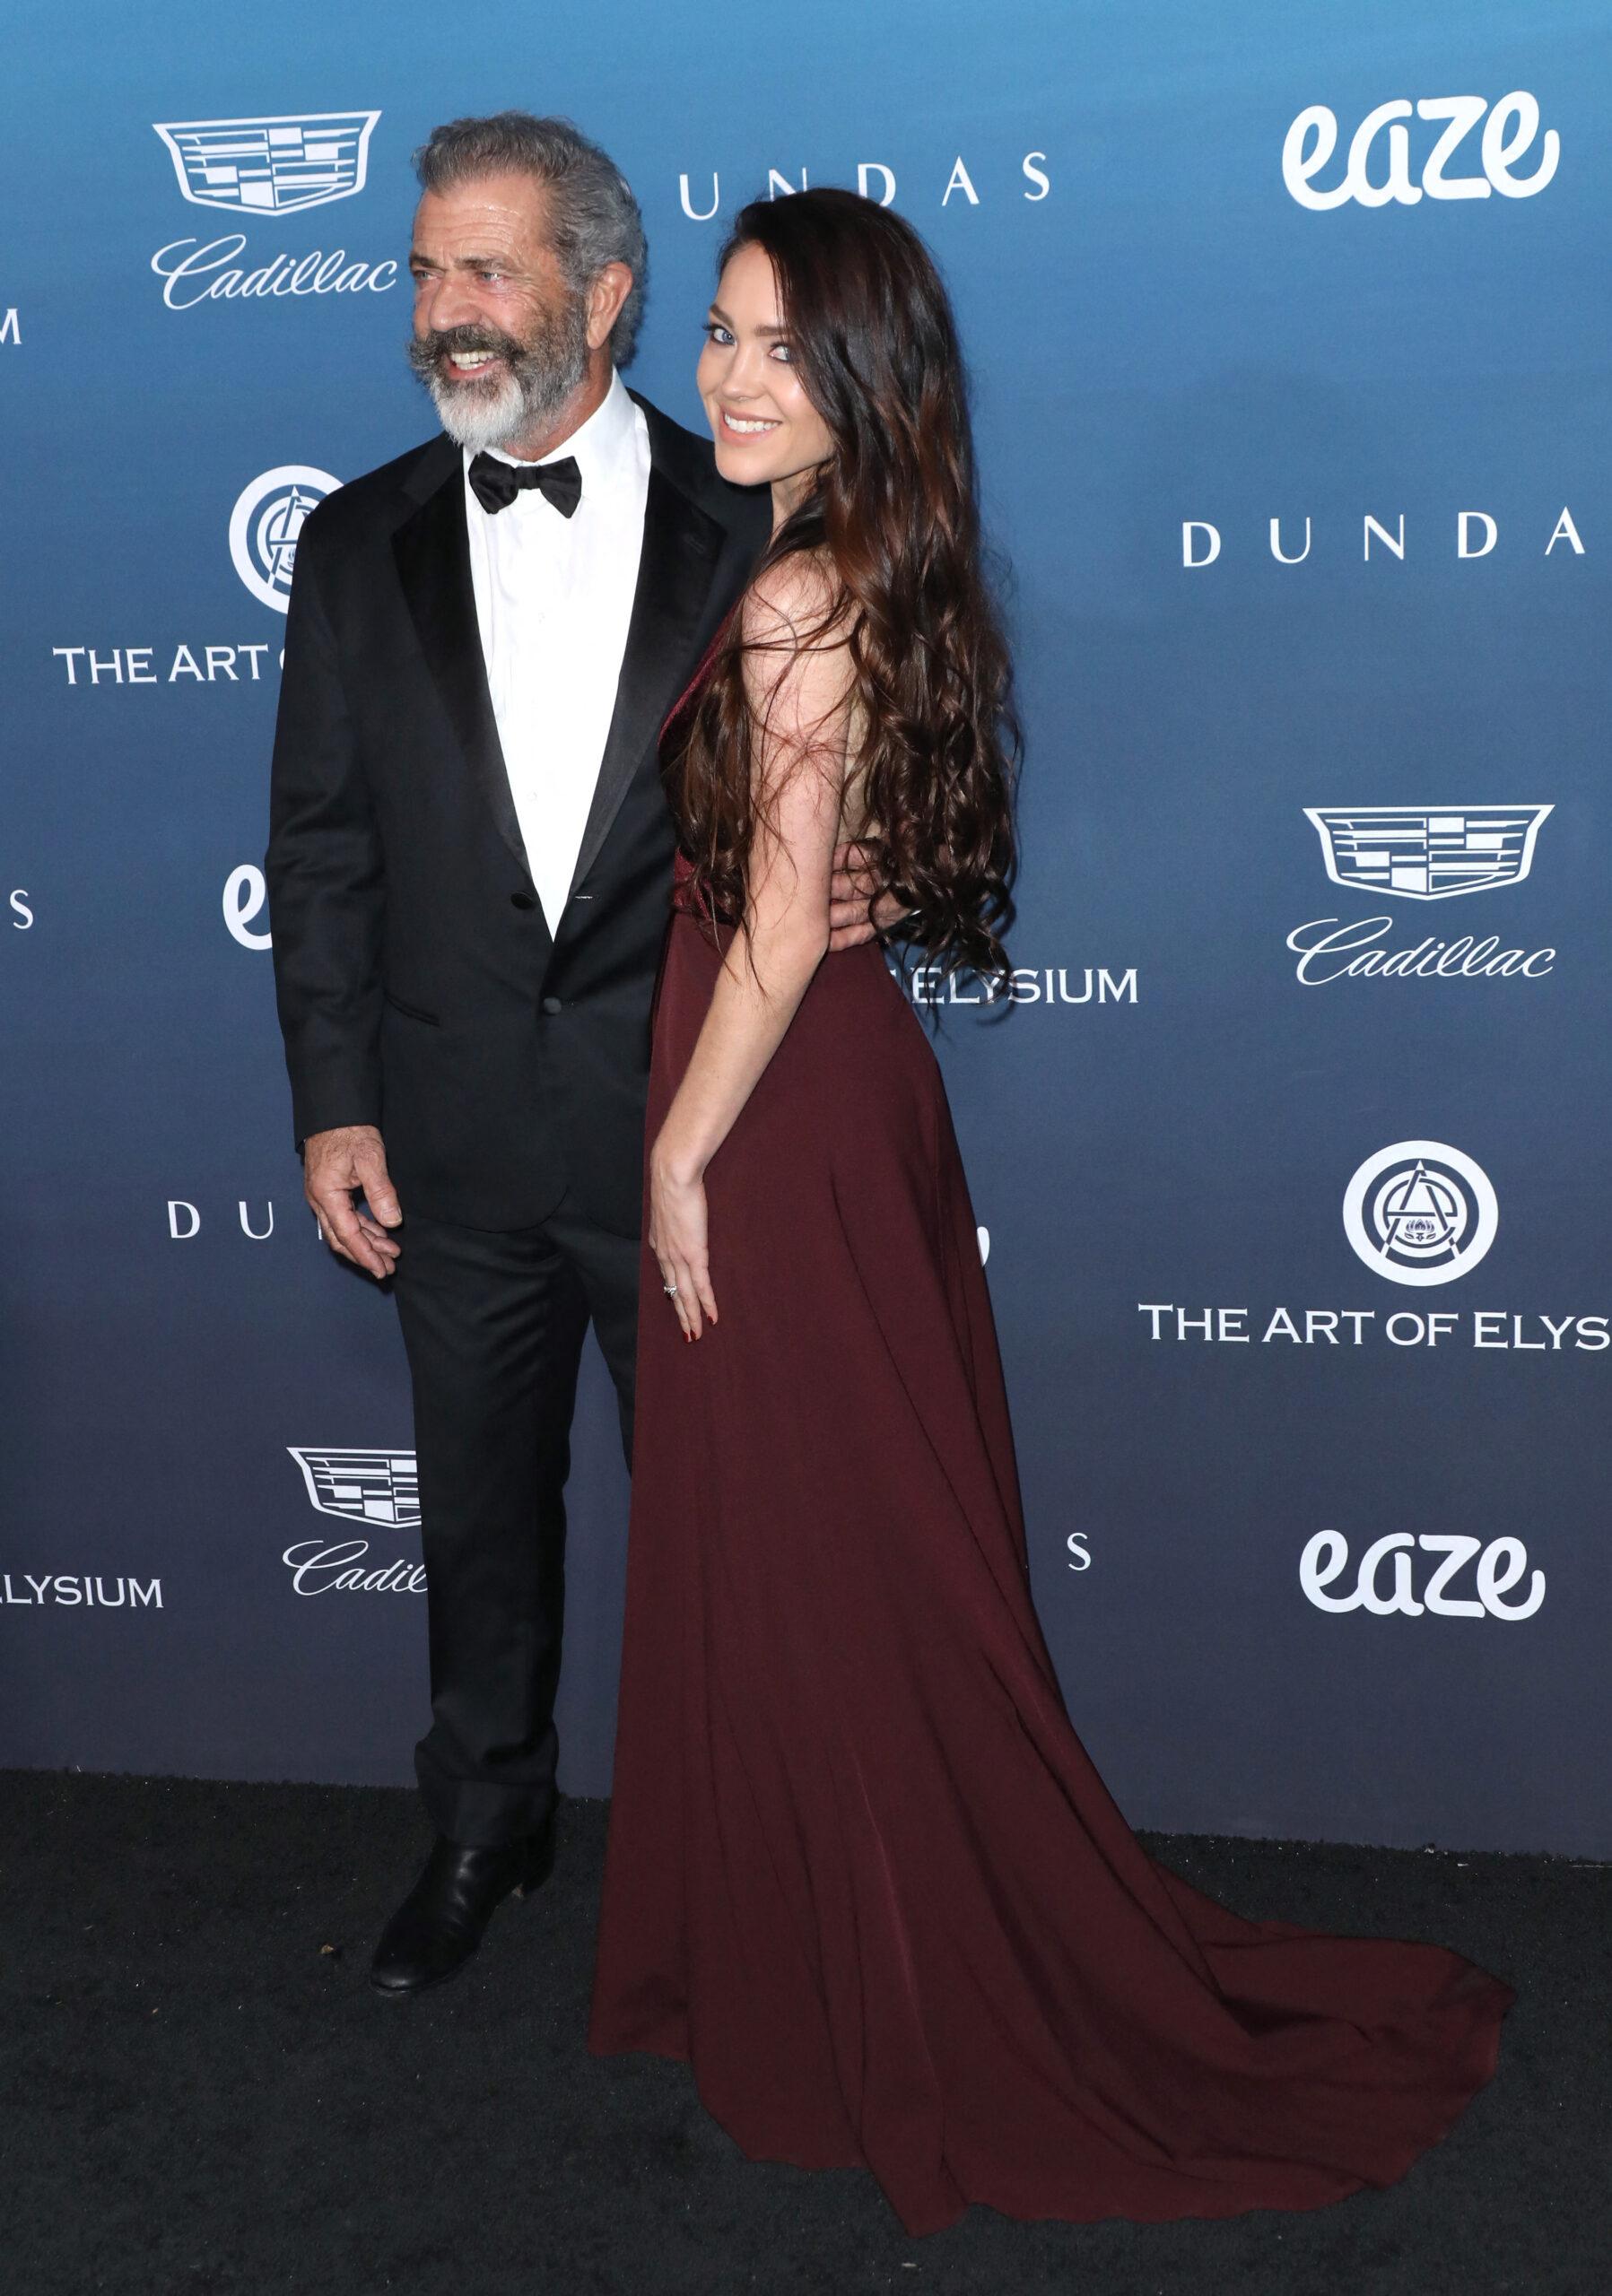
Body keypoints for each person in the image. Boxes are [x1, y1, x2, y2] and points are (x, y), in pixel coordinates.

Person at [588, 187, 1512, 2234]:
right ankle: (815, 1962)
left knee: (832, 1559)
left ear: (858, 373)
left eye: (765, 341)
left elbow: (762, 942)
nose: (723, 375)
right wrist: (831, 911)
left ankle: (874, 1995)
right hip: (841, 1097)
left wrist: (671, 1155)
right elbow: (853, 868)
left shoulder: (794, 599)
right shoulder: (871, 570)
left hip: (773, 1122)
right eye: (715, 335)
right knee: (844, 1549)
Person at [265, 116, 899, 2000]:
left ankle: (778, 1853)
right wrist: (331, 1099)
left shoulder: (758, 515)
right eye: (423, 273)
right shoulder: (352, 534)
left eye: (487, 273)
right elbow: (321, 847)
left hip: (691, 1128)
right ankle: (485, 1819)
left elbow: (873, 768)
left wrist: (863, 879)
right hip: (449, 1134)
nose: (444, 314)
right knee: (472, 1508)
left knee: (745, 1525)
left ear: (603, 294)